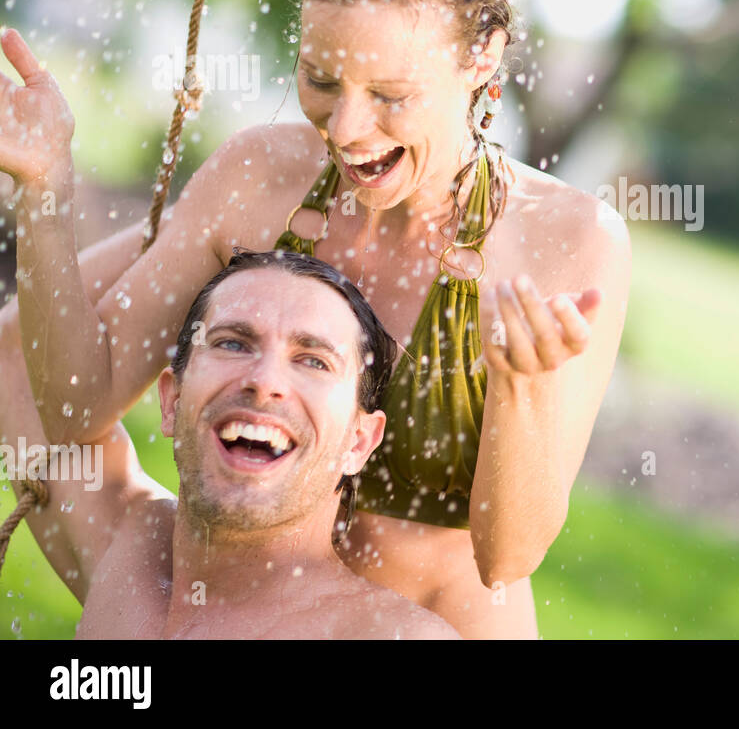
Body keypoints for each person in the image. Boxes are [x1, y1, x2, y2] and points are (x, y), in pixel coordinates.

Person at [0, 0, 631, 638]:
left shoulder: (567, 239)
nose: (350, 128)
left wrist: (524, 390)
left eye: (392, 95)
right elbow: (71, 406)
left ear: (483, 56)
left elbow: (509, 556)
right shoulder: (260, 176)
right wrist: (43, 191)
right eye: (321, 81)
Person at [0, 247, 460, 639]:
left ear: (359, 441)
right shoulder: (129, 546)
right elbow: (15, 355)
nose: (263, 382)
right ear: (172, 400)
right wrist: (50, 183)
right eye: (233, 344)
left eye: (314, 361)